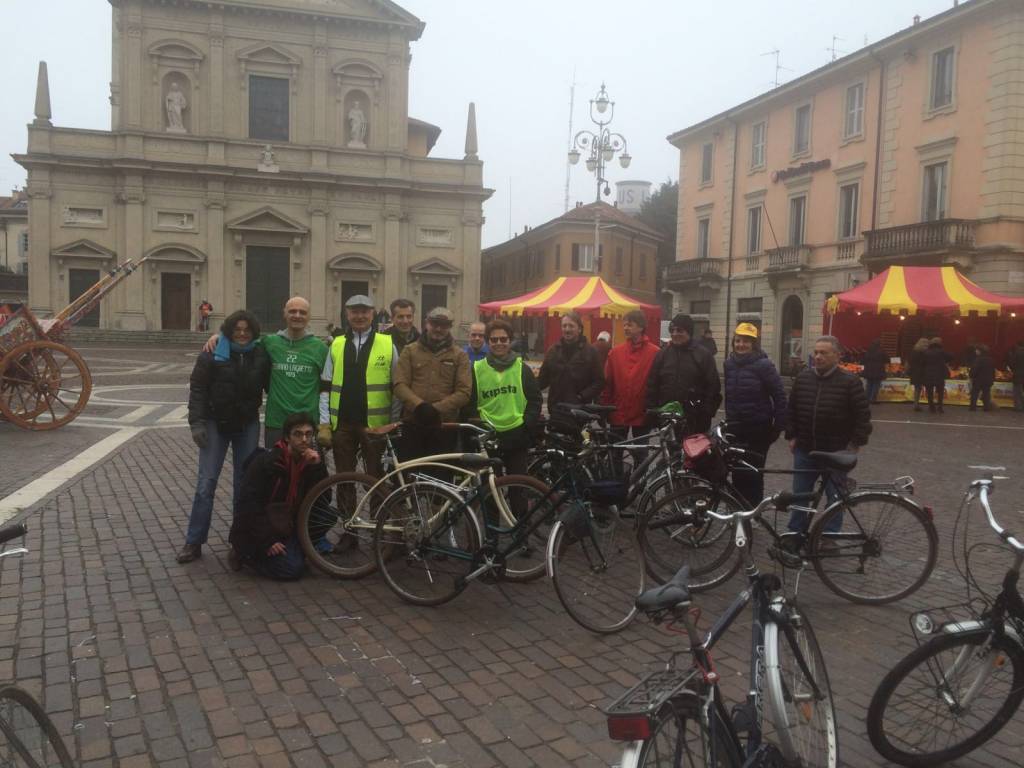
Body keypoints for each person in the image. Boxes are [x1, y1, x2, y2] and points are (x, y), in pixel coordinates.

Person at [178, 310, 270, 564]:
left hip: (246, 424)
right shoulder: (212, 351)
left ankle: (239, 542)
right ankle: (194, 541)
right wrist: (196, 423)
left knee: (244, 484)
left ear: (253, 331)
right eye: (237, 329)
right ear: (229, 330)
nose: (242, 333)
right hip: (214, 423)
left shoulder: (261, 353)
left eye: (246, 329)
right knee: (206, 483)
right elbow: (197, 387)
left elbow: (274, 382)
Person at [203, 296, 328, 446]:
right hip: (276, 422)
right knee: (275, 468)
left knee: (308, 468)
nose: (297, 315)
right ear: (284, 314)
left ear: (309, 316)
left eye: (302, 312)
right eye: (292, 311)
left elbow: (326, 388)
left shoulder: (321, 348)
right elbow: (242, 341)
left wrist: (325, 424)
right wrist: (220, 337)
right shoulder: (270, 342)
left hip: (307, 424)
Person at [785, 336, 872, 534]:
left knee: (835, 498)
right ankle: (795, 533)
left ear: (837, 356)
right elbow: (791, 410)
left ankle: (829, 535)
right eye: (816, 352)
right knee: (800, 495)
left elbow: (863, 416)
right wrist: (792, 436)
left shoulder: (850, 382)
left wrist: (855, 443)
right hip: (806, 450)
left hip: (836, 452)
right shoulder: (803, 378)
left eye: (824, 353)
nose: (818, 357)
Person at [228, 412, 328, 580]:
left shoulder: (311, 461)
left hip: (288, 522)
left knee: (326, 515)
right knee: (292, 570)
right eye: (298, 434)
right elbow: (248, 505)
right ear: (287, 438)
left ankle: (296, 551)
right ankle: (246, 555)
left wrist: (317, 468)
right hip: (262, 528)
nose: (304, 439)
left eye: (309, 434)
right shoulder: (266, 463)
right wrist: (267, 541)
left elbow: (323, 501)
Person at [317, 295, 398, 476]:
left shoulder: (387, 344)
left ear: (372, 314)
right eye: (355, 312)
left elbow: (397, 388)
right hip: (343, 424)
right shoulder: (336, 344)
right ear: (347, 315)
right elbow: (325, 387)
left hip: (376, 426)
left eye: (364, 312)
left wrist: (393, 422)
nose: (359, 316)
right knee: (343, 476)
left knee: (376, 476)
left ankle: (379, 506)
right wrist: (324, 423)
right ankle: (347, 506)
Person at [394, 307, 472, 460]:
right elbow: (399, 384)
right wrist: (419, 406)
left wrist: (436, 409)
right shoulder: (409, 351)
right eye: (434, 323)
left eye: (444, 325)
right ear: (426, 324)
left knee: (441, 474)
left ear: (450, 327)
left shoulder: (460, 355)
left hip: (444, 426)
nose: (438, 328)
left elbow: (464, 391)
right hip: (413, 422)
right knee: (410, 473)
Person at [723, 323, 787, 507]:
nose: (741, 345)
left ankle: (753, 511)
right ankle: (737, 508)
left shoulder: (764, 365)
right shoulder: (729, 364)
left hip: (758, 428)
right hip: (735, 427)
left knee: (754, 472)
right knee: (736, 470)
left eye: (746, 341)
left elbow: (779, 396)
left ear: (754, 344)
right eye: (738, 341)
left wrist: (777, 427)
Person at [467, 318, 542, 474]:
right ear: (488, 342)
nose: (499, 343)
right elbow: (469, 403)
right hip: (489, 436)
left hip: (517, 436)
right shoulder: (476, 369)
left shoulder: (523, 369)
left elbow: (535, 401)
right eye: (494, 340)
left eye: (503, 339)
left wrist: (526, 426)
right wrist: (479, 428)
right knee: (490, 491)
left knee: (518, 489)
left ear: (510, 341)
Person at [646, 313, 722, 435]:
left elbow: (713, 387)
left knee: (694, 454)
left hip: (695, 419)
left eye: (680, 330)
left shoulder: (703, 355)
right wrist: (652, 412)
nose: (675, 334)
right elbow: (652, 384)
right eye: (672, 330)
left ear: (689, 332)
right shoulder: (663, 354)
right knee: (671, 453)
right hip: (668, 418)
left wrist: (706, 414)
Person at [602, 310, 660, 441]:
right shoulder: (615, 353)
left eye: (629, 324)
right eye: (624, 325)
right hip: (618, 411)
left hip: (642, 413)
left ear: (641, 327)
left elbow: (658, 384)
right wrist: (605, 407)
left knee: (641, 454)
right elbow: (607, 383)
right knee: (615, 452)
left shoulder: (655, 353)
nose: (625, 328)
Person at [537, 311, 605, 413]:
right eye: (564, 326)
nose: (567, 329)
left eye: (571, 326)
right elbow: (543, 380)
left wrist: (581, 396)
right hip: (556, 409)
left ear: (580, 329)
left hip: (580, 411)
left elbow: (599, 382)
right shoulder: (553, 351)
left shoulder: (591, 352)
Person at [923, 337, 953, 414]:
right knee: (940, 392)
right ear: (939, 343)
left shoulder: (926, 352)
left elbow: (922, 362)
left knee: (929, 392)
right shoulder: (941, 351)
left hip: (928, 373)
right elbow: (950, 357)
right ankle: (940, 407)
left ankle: (931, 407)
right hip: (940, 373)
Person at [969, 343, 995, 412]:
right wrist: (992, 379)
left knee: (975, 393)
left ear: (980, 351)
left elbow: (974, 369)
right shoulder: (990, 359)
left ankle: (973, 407)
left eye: (977, 350)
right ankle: (986, 408)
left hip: (978, 379)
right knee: (986, 394)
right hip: (988, 379)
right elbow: (993, 371)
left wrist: (971, 375)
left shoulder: (978, 359)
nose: (975, 351)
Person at [861, 339, 888, 404]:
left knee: (869, 384)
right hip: (878, 370)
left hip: (869, 370)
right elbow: (887, 360)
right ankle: (873, 399)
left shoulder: (868, 351)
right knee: (876, 385)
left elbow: (863, 360)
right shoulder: (881, 351)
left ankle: (867, 398)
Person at [908, 337, 930, 412]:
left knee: (917, 389)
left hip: (914, 373)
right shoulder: (924, 353)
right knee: (921, 389)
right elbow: (925, 363)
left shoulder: (913, 352)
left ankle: (915, 404)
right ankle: (918, 405)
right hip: (922, 373)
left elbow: (910, 362)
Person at [1008, 340, 1024, 412]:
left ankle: (1018, 407)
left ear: (1017, 345)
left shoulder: (1017, 353)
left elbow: (1012, 363)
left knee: (1017, 391)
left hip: (1018, 375)